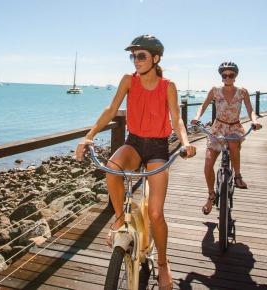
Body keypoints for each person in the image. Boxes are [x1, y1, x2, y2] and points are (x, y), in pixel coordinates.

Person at [76, 34, 196, 290]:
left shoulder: (168, 85)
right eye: (133, 56)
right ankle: (119, 218)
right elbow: (111, 110)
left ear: (155, 58)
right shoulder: (128, 80)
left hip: (158, 148)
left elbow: (177, 119)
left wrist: (185, 143)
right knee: (113, 167)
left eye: (140, 55)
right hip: (134, 142)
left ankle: (163, 263)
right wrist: (88, 137)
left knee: (155, 213)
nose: (135, 60)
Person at [191, 61, 262, 215]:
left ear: (235, 76)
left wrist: (255, 121)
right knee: (208, 163)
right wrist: (196, 117)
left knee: (233, 143)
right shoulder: (215, 90)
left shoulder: (242, 92)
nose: (228, 78)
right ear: (221, 77)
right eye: (224, 75)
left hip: (234, 127)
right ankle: (211, 195)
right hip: (218, 128)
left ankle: (237, 176)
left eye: (231, 75)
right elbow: (202, 106)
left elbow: (250, 110)